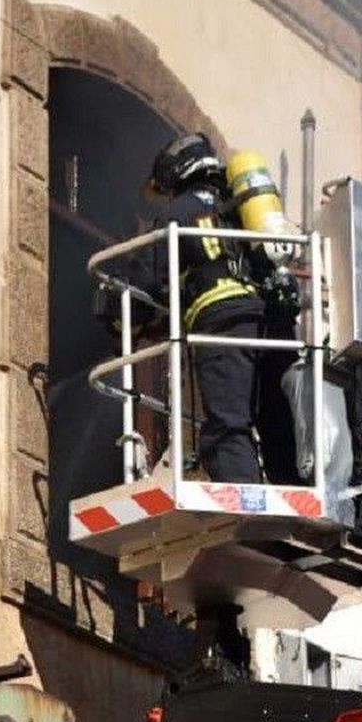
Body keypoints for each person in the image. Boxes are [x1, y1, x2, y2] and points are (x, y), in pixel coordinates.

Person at [141, 133, 265, 483]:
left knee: (225, 430)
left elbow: (149, 279)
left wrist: (121, 321)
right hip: (260, 321)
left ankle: (244, 500)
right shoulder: (234, 208)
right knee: (260, 421)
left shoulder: (177, 213)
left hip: (220, 324)